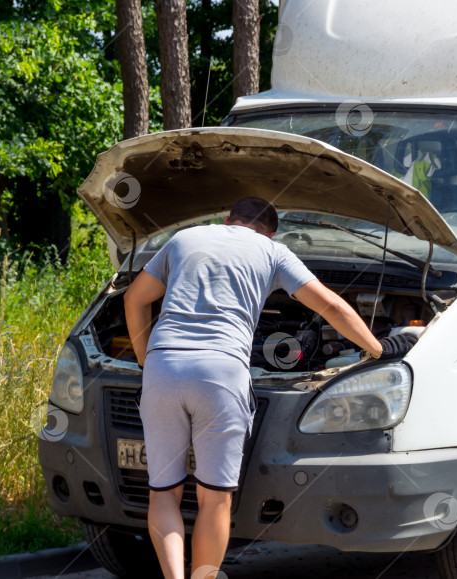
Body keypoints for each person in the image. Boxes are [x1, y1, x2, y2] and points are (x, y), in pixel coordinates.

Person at [124, 197, 417, 579]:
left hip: (163, 367)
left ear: (228, 220)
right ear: (270, 231)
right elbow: (330, 306)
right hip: (221, 372)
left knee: (164, 494)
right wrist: (379, 348)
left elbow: (134, 298)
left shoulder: (185, 238)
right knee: (213, 500)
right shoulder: (273, 251)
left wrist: (148, 362)